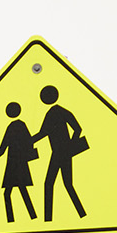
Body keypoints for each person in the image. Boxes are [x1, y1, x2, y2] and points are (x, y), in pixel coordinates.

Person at [36, 85, 88, 222]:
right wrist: (70, 146)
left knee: (49, 183)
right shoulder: (61, 111)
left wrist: (28, 141)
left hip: (59, 153)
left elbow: (43, 133)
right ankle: (82, 214)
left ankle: (48, 220)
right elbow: (77, 129)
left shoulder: (52, 113)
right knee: (68, 184)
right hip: (64, 153)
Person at [0, 101, 38, 223]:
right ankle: (32, 216)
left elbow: (2, 149)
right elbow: (30, 142)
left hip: (13, 165)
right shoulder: (22, 125)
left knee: (8, 193)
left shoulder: (12, 127)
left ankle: (12, 220)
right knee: (21, 191)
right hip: (21, 164)